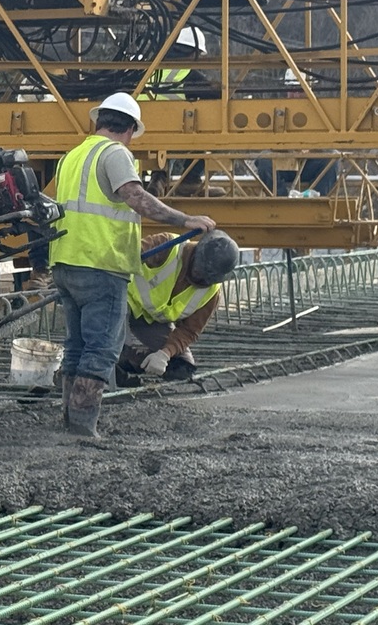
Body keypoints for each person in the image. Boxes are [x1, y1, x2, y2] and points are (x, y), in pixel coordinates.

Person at [50, 92, 217, 437]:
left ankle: (68, 422)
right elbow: (136, 197)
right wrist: (184, 219)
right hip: (101, 263)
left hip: (66, 262)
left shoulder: (72, 156)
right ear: (128, 129)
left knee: (77, 345)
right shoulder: (115, 153)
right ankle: (82, 428)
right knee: (100, 348)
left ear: (100, 121)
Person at [115, 230, 239, 388]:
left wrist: (164, 354)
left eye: (205, 276)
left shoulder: (211, 293)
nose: (199, 276)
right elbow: (127, 256)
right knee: (115, 342)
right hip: (123, 304)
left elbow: (189, 331)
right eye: (198, 269)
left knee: (182, 366)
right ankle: (117, 364)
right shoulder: (168, 246)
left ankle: (130, 362)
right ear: (196, 252)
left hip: (151, 320)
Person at [146, 26, 224, 197]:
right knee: (212, 129)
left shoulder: (150, 69)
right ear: (193, 52)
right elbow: (214, 95)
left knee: (165, 139)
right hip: (174, 132)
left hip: (142, 131)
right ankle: (190, 180)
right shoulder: (188, 75)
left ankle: (158, 179)